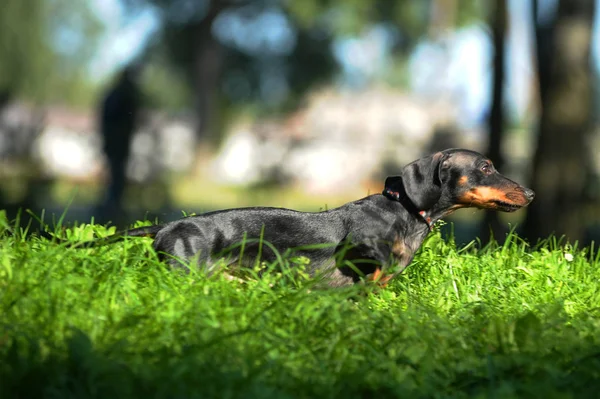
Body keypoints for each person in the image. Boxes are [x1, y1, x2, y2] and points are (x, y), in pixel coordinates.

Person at [97, 64, 141, 221]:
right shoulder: (122, 95)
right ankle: (111, 210)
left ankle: (112, 209)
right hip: (118, 143)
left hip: (116, 143)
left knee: (115, 177)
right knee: (115, 178)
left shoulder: (116, 94)